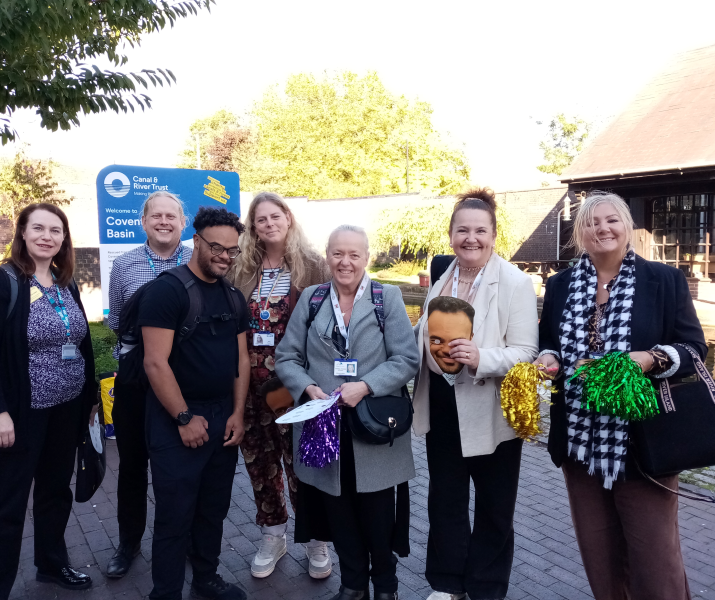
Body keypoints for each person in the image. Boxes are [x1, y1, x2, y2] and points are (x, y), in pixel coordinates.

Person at [533, 191, 707, 600]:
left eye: (611, 220)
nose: (602, 229)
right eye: (592, 223)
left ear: (626, 226)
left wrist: (647, 359)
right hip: (578, 445)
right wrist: (548, 360)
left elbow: (694, 349)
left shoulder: (662, 281)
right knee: (601, 559)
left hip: (644, 444)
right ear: (581, 233)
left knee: (655, 560)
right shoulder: (559, 286)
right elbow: (548, 344)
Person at [276, 224, 420, 600]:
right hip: (323, 427)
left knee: (377, 515)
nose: (345, 262)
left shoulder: (384, 297)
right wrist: (307, 388)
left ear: (366, 258)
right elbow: (287, 357)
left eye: (354, 254)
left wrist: (365, 385)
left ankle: (386, 588)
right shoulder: (311, 298)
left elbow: (407, 358)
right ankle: (353, 584)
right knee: (338, 513)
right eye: (338, 253)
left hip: (372, 427)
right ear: (327, 256)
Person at [412, 187, 538, 600]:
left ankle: (485, 587)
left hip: (491, 409)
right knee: (445, 500)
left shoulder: (516, 283)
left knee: (494, 506)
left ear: (493, 235)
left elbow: (526, 352)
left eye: (480, 231)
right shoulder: (442, 275)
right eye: (462, 230)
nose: (471, 238)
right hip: (444, 408)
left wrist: (481, 356)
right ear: (450, 235)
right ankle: (447, 583)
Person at [0, 203, 99, 599]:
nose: (47, 236)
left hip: (66, 409)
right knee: (7, 504)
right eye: (38, 228)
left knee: (55, 491)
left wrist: (89, 398)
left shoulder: (66, 282)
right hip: (20, 414)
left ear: (64, 239)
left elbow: (80, 342)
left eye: (56, 230)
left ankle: (52, 564)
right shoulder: (1, 282)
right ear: (22, 234)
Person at [139, 206, 250, 600]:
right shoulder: (167, 291)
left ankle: (206, 579)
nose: (224, 256)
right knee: (175, 515)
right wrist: (184, 417)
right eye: (217, 247)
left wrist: (237, 413)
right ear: (197, 241)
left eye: (233, 250)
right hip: (176, 420)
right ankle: (165, 592)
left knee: (213, 510)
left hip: (222, 417)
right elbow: (155, 362)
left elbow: (240, 360)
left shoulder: (233, 296)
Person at [230, 191, 332, 579]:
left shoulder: (313, 267)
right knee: (259, 460)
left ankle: (317, 538)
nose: (269, 224)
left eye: (276, 216)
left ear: (288, 219)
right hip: (248, 383)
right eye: (261, 219)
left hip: (293, 384)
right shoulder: (241, 268)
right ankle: (273, 535)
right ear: (252, 227)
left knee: (303, 462)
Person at [106, 191, 193, 578]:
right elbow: (114, 323)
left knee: (180, 468)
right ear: (143, 222)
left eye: (170, 216)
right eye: (155, 216)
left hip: (185, 381)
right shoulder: (123, 265)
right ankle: (129, 542)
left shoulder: (198, 259)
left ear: (182, 222)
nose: (163, 222)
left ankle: (183, 540)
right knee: (132, 465)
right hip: (136, 382)